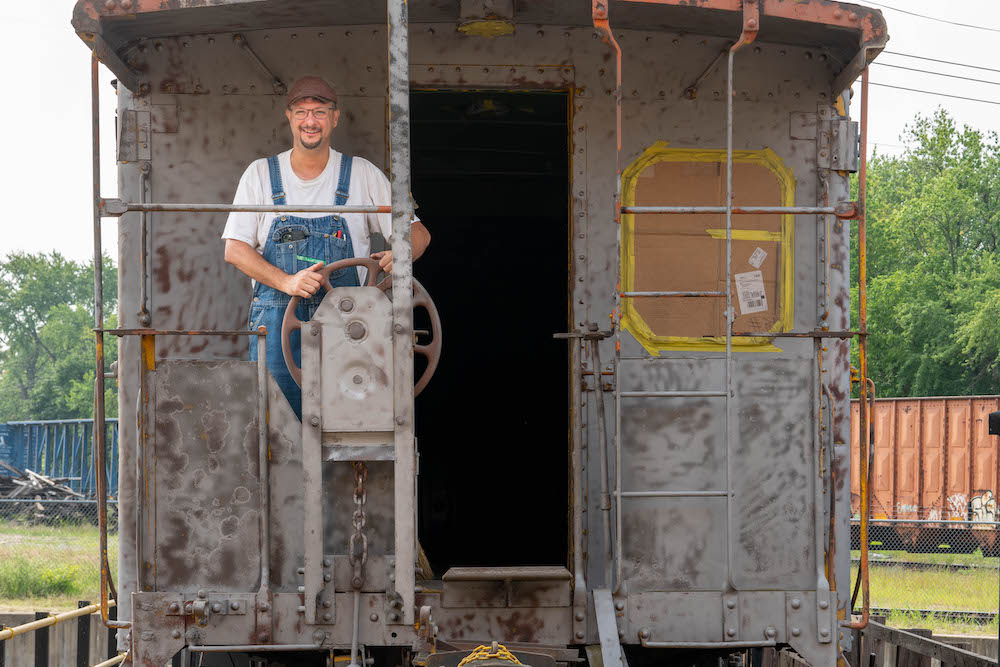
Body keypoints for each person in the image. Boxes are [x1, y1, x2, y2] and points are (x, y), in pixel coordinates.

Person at [222, 75, 431, 419]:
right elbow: (235, 249)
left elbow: (419, 234)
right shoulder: (259, 175)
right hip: (277, 327)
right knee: (274, 427)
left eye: (319, 112)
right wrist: (287, 282)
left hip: (348, 326)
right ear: (289, 117)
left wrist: (404, 253)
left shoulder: (363, 175)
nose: (310, 121)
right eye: (302, 112)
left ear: (335, 118)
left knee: (347, 423)